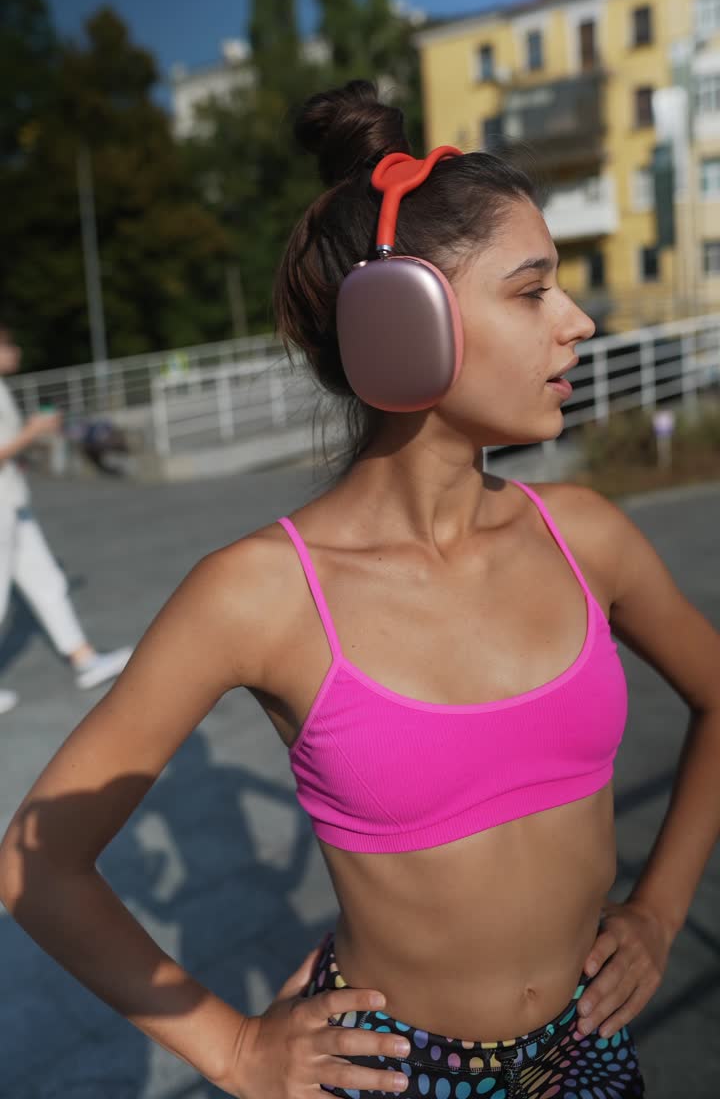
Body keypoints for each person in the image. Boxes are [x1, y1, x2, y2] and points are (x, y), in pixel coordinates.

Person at [1, 80, 719, 1099]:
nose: (578, 321)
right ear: (401, 321)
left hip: (588, 1054)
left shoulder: (586, 535)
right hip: (391, 1077)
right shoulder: (260, 594)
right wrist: (234, 1049)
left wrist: (658, 910)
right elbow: (35, 861)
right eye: (531, 291)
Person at [0, 324, 132, 714]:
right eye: (7, 344)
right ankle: (84, 658)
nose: (15, 350)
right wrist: (32, 432)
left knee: (47, 581)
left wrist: (32, 436)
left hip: (13, 503)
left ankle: (84, 658)